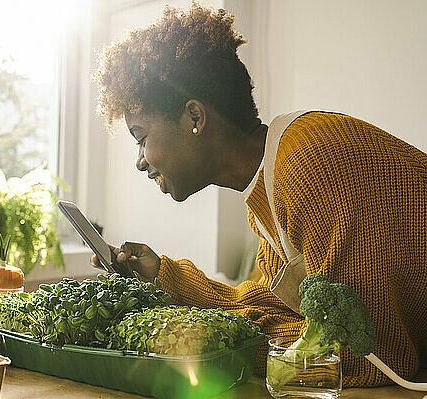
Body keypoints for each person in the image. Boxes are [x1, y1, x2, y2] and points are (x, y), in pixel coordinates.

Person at [91, 3, 427, 388]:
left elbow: (368, 358)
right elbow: (269, 310)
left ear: (195, 118)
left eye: (141, 138)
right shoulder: (267, 195)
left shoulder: (310, 162)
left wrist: (210, 347)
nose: (139, 162)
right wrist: (165, 277)